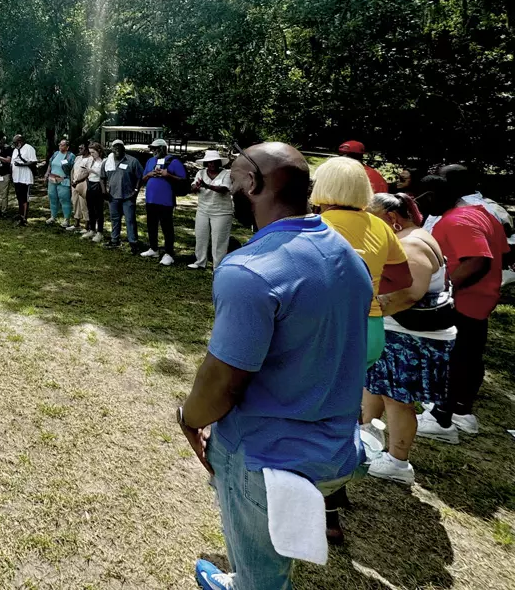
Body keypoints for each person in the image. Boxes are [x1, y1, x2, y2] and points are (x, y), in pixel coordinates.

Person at [184, 143, 372, 590]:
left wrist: (188, 419)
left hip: (266, 457)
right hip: (339, 448)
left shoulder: (249, 270)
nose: (226, 183)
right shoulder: (346, 254)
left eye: (232, 175)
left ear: (251, 183)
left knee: (261, 578)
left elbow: (223, 381)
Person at [360, 192, 455, 485]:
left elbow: (409, 293)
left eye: (372, 221)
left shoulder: (410, 244)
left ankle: (398, 461)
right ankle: (365, 438)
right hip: (399, 334)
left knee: (397, 400)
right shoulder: (414, 236)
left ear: (392, 219)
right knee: (374, 388)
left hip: (408, 337)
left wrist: (369, 311)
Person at [416, 174, 510, 443]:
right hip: (482, 299)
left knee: (453, 357)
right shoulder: (482, 213)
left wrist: (446, 287)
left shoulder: (457, 221)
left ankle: (441, 418)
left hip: (464, 300)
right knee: (470, 355)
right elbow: (502, 250)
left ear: (433, 195)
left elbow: (477, 261)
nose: (420, 207)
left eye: (421, 199)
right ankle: (461, 412)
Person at [310, 157, 411, 371]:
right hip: (371, 330)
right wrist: (367, 289)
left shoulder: (317, 226)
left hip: (330, 330)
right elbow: (403, 278)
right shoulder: (380, 225)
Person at [139, 138, 187, 266]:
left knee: (167, 227)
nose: (153, 151)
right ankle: (153, 248)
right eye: (152, 149)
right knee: (151, 225)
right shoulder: (150, 161)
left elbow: (183, 180)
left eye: (156, 149)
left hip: (165, 200)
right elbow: (143, 178)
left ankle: (169, 253)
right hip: (150, 199)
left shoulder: (174, 161)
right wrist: (149, 174)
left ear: (163, 149)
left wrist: (168, 175)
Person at [190, 150, 234, 269]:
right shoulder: (201, 173)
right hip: (203, 209)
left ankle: (217, 266)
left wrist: (207, 185)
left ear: (219, 162)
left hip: (222, 212)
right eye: (209, 162)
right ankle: (200, 262)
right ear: (206, 163)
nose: (212, 164)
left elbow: (224, 189)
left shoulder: (226, 173)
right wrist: (196, 187)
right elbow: (193, 186)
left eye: (214, 162)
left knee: (219, 240)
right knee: (201, 236)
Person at [103, 140, 143, 248]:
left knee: (130, 219)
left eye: (119, 147)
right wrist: (104, 191)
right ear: (111, 149)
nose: (116, 150)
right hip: (113, 196)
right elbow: (102, 177)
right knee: (114, 219)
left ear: (123, 149)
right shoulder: (107, 162)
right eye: (114, 147)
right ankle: (114, 239)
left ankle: (133, 242)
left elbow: (140, 176)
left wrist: (136, 190)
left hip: (128, 196)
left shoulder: (132, 161)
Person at [10, 134, 38, 227]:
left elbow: (33, 162)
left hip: (25, 178)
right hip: (16, 177)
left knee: (25, 198)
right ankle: (20, 214)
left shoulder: (29, 148)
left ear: (20, 141)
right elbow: (12, 163)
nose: (14, 144)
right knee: (19, 198)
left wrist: (21, 165)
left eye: (15, 142)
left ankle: (24, 218)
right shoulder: (15, 150)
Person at [46, 139, 74, 227]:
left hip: (63, 180)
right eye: (60, 145)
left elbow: (73, 169)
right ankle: (53, 216)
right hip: (52, 179)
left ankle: (66, 219)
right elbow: (50, 164)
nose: (60, 147)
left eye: (62, 145)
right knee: (52, 197)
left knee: (64, 199)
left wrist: (72, 179)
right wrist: (47, 173)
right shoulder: (55, 154)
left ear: (67, 147)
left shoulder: (71, 156)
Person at [81, 141, 105, 242]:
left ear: (99, 151)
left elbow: (104, 175)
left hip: (98, 185)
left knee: (98, 210)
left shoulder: (103, 161)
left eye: (93, 152)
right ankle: (92, 229)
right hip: (90, 184)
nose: (92, 154)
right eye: (90, 152)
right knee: (90, 208)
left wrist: (93, 171)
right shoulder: (92, 160)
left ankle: (100, 232)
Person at [69, 142, 90, 232]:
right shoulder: (78, 158)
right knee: (75, 202)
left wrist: (78, 181)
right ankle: (76, 223)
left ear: (87, 149)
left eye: (81, 148)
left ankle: (87, 225)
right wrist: (72, 180)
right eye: (79, 148)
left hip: (83, 183)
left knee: (84, 204)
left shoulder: (90, 159)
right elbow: (73, 170)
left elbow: (88, 173)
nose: (80, 150)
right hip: (74, 183)